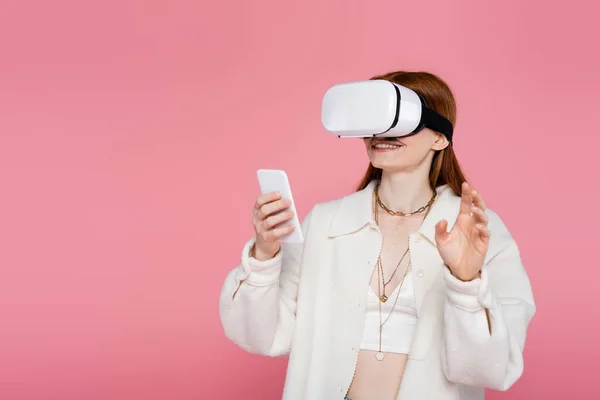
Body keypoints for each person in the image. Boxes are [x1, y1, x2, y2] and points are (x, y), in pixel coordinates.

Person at [218, 71, 536, 400]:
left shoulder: (476, 230)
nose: (383, 132)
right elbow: (263, 335)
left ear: (440, 137)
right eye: (376, 119)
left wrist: (467, 282)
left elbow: (490, 369)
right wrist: (264, 256)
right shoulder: (327, 222)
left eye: (400, 119)